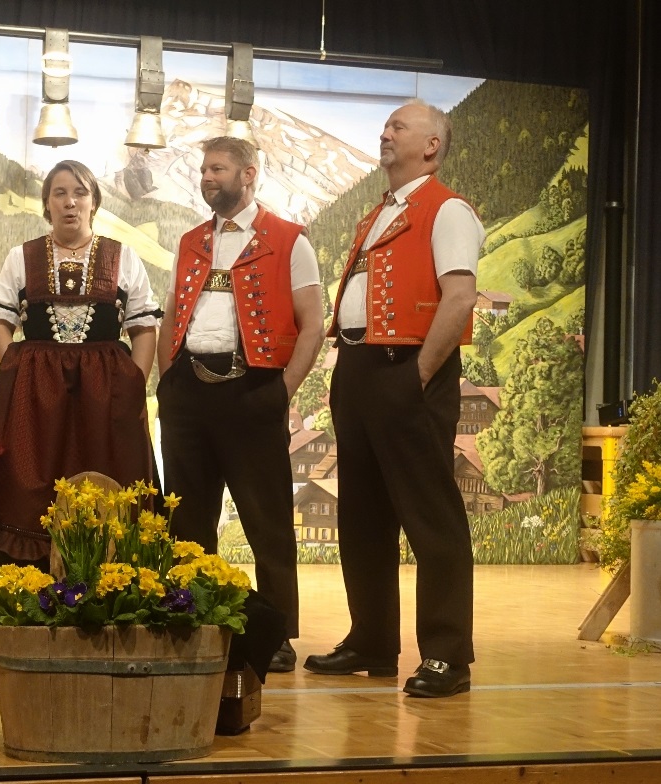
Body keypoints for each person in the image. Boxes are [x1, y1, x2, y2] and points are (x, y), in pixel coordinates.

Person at [303, 100, 482, 698]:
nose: (385, 133)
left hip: (406, 368)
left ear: (431, 145)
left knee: (431, 517)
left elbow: (459, 298)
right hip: (360, 367)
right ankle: (373, 641)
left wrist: (417, 376)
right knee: (362, 515)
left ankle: (447, 655)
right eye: (384, 126)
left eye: (397, 126)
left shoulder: (447, 209)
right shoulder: (382, 212)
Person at [156, 136, 324, 673]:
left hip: (253, 390)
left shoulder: (290, 240)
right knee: (188, 519)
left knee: (267, 520)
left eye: (218, 169)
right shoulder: (190, 241)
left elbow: (313, 325)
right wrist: (166, 382)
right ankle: (193, 620)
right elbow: (171, 315)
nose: (207, 177)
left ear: (248, 174)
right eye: (204, 170)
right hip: (188, 392)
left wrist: (281, 391)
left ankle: (277, 635)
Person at [0, 160, 161, 564]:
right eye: (59, 193)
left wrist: (132, 382)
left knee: (109, 477)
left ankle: (111, 576)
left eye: (80, 193)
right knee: (33, 484)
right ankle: (33, 578)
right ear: (47, 203)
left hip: (106, 396)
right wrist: (18, 373)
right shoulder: (22, 257)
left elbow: (144, 327)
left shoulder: (123, 257)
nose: (70, 202)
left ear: (94, 202)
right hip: (38, 398)